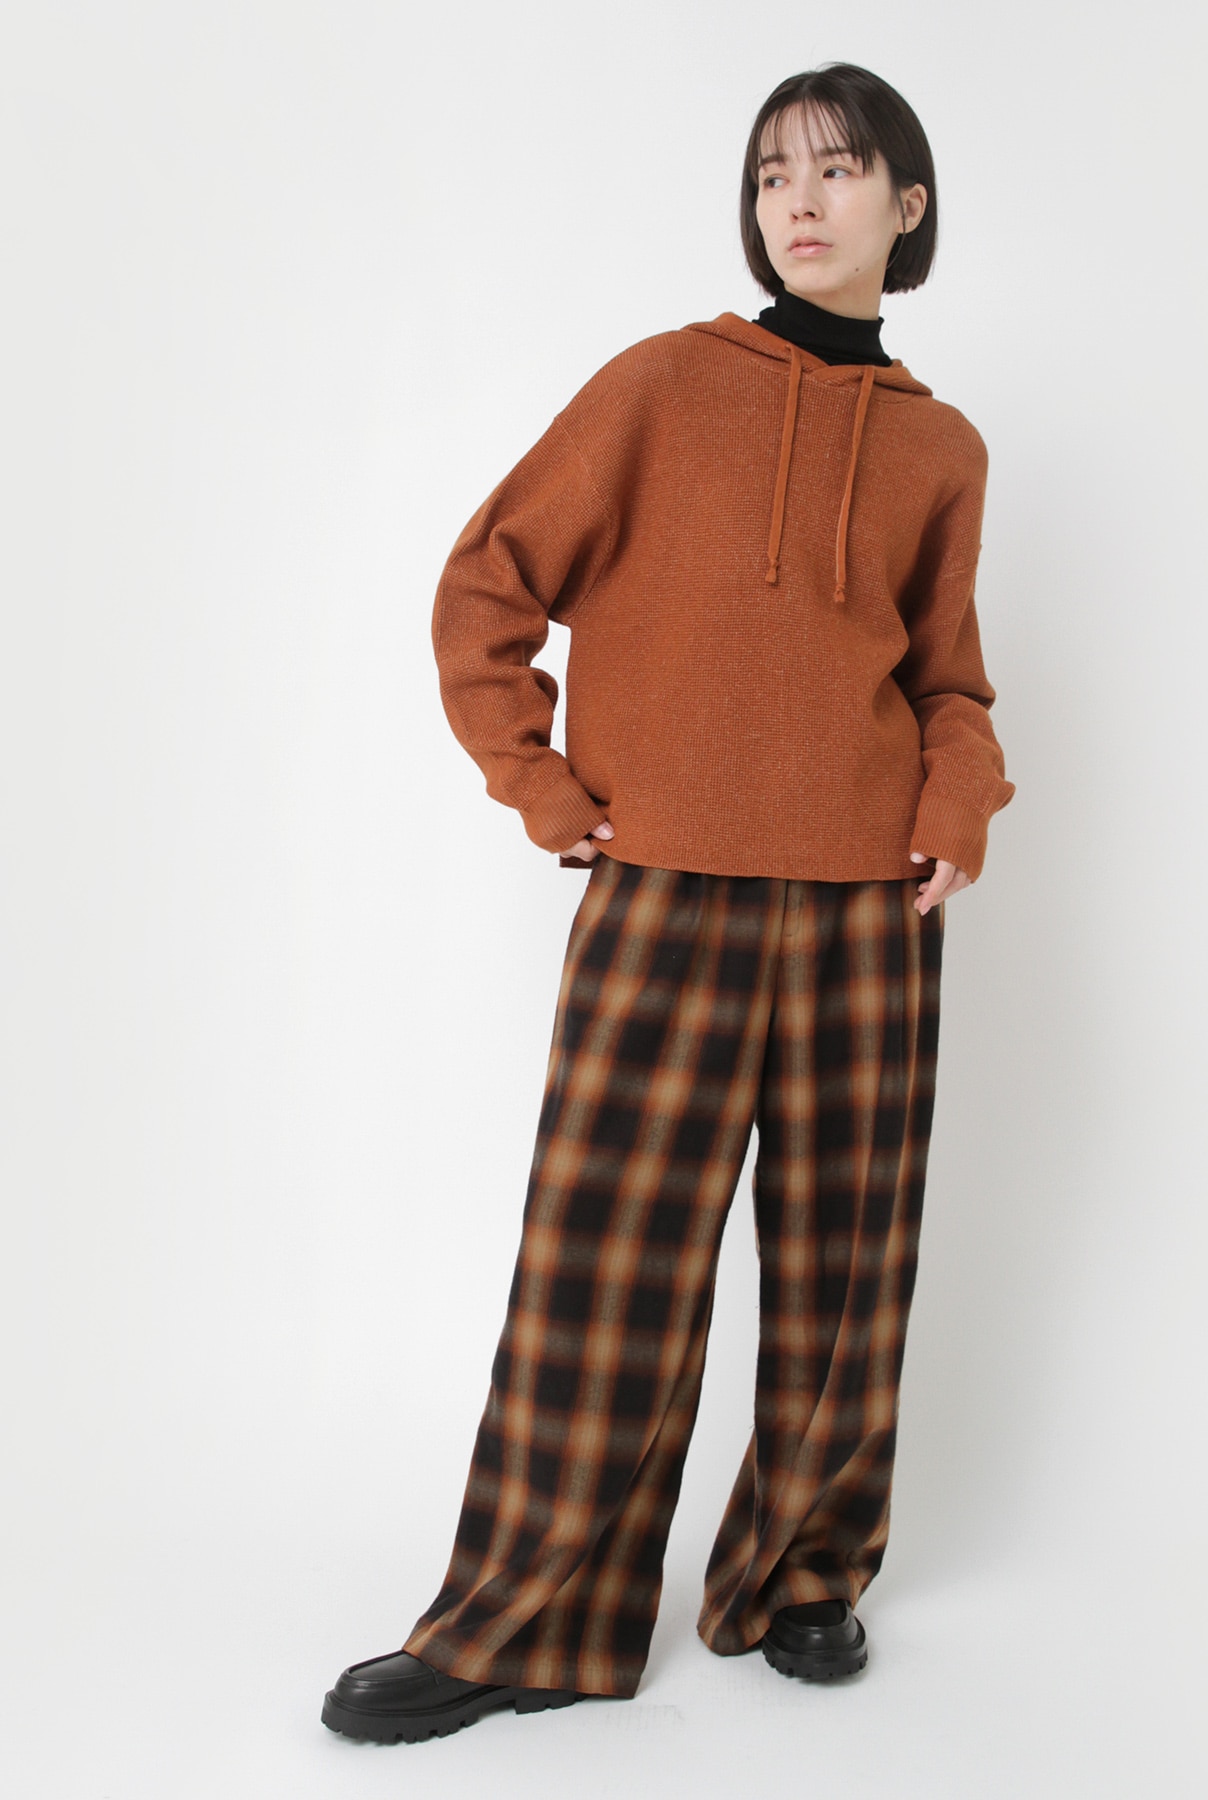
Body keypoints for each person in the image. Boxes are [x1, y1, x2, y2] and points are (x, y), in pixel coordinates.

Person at [321, 60, 1015, 1745]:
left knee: (849, 1267)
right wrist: (545, 786)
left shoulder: (940, 446)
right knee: (603, 1263)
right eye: (774, 172)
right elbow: (486, 585)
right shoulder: (659, 384)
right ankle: (529, 1620)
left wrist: (957, 807)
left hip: (867, 910)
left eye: (837, 169)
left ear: (907, 205)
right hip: (670, 890)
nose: (801, 200)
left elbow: (949, 681)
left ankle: (801, 1579)